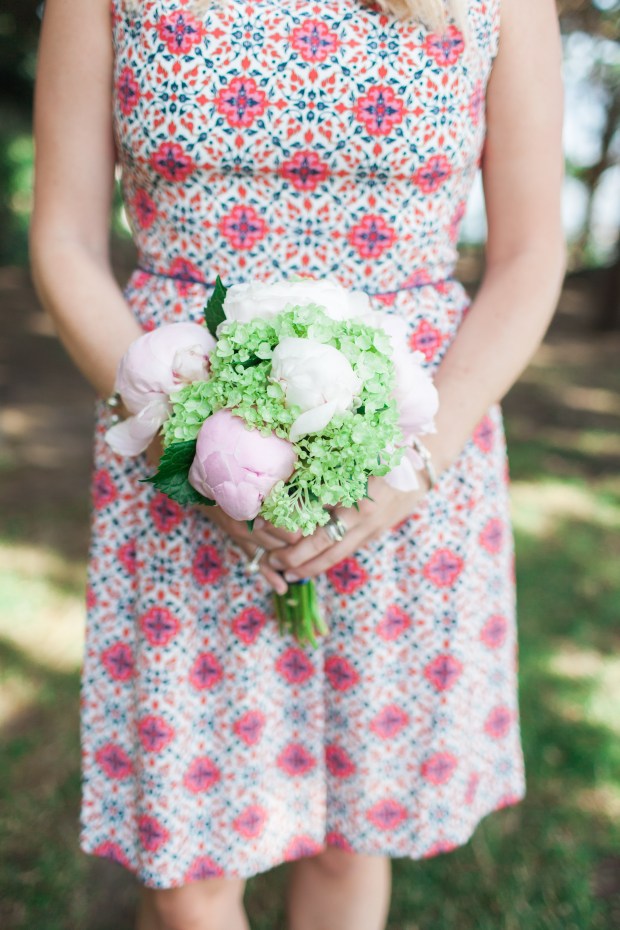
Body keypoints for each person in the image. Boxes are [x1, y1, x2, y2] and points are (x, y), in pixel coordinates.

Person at [30, 0, 565, 927]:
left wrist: (413, 469)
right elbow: (65, 238)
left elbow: (529, 252)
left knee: (351, 836)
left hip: (413, 444)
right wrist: (182, 441)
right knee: (190, 875)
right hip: (174, 422)